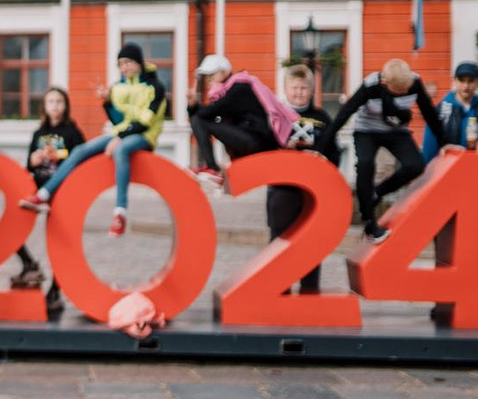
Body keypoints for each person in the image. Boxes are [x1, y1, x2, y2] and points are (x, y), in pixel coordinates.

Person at [20, 43, 166, 237]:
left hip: (144, 136)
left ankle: (120, 213)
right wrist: (107, 102)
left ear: (138, 62)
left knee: (120, 150)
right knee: (80, 151)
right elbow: (118, 120)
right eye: (121, 64)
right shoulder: (118, 87)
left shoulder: (155, 87)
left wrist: (120, 138)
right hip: (121, 134)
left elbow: (146, 122)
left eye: (128, 62)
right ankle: (43, 195)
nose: (124, 67)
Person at [315, 58, 445, 243]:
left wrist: (445, 142)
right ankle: (369, 222)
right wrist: (321, 147)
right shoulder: (371, 85)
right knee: (365, 164)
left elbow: (429, 113)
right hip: (366, 131)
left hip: (396, 132)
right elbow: (345, 113)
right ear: (385, 82)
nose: (402, 94)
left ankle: (378, 192)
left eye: (405, 91)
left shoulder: (414, 82)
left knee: (415, 165)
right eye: (398, 91)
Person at [269, 64, 339, 295]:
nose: (299, 92)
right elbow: (262, 149)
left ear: (311, 90)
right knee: (280, 239)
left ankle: (309, 293)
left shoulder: (322, 118)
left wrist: (323, 156)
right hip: (283, 189)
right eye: (294, 88)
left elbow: (335, 152)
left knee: (311, 241)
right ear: (285, 88)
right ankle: (279, 289)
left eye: (303, 88)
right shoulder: (275, 115)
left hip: (313, 192)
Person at [188, 54, 298, 190]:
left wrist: (194, 106)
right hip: (250, 139)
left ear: (225, 72)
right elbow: (209, 115)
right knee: (199, 119)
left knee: (199, 118)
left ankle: (213, 169)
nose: (208, 79)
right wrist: (193, 106)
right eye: (206, 76)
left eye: (212, 74)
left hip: (257, 141)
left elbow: (208, 114)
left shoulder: (239, 87)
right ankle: (212, 169)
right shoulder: (226, 91)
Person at [15, 87, 84, 290]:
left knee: (60, 241)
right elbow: (29, 164)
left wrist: (60, 156)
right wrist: (34, 160)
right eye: (51, 101)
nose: (55, 105)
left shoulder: (72, 132)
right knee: (13, 219)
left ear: (66, 106)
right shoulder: (39, 132)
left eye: (59, 101)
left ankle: (56, 287)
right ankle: (28, 263)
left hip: (62, 191)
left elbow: (82, 159)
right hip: (38, 187)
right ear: (44, 106)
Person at [424, 61, 478, 161]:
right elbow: (429, 145)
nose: (466, 86)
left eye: (470, 81)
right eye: (461, 80)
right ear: (454, 81)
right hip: (448, 167)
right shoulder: (442, 110)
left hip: (475, 167)